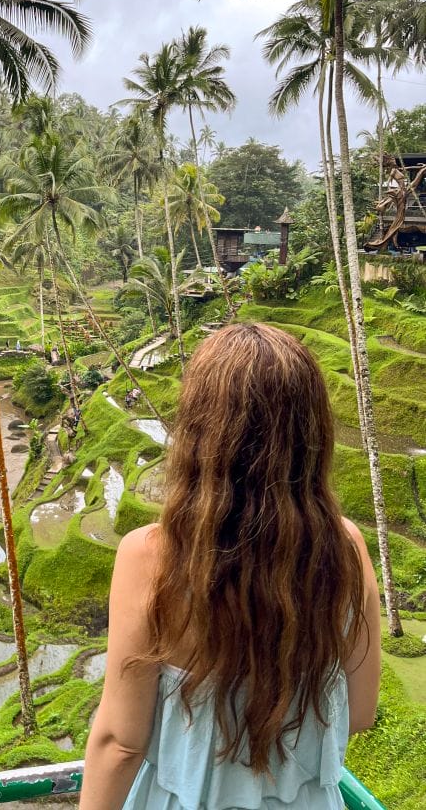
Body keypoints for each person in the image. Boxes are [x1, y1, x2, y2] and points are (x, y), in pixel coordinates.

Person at [80, 324, 380, 810]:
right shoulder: (346, 549)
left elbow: (121, 743)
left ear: (200, 432)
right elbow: (360, 712)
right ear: (312, 433)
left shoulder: (150, 557)